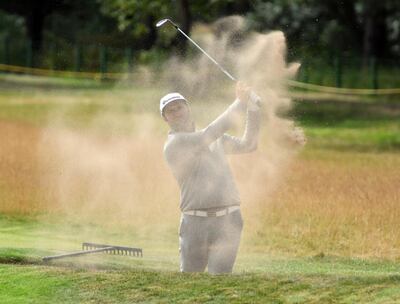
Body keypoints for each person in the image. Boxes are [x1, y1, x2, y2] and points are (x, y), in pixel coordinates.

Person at [161, 81, 261, 274]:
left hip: (229, 221)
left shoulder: (214, 140)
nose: (176, 112)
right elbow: (209, 134)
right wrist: (240, 102)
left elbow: (249, 145)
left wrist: (254, 109)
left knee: (220, 279)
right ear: (165, 118)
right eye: (170, 111)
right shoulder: (174, 144)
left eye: (179, 107)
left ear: (187, 108)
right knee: (191, 281)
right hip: (194, 223)